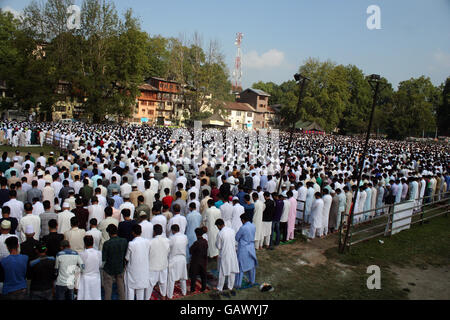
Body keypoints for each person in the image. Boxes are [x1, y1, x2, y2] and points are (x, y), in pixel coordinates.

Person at [102, 224, 127, 300]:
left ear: (109, 233)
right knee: (121, 288)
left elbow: (104, 258)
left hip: (109, 269)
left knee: (108, 290)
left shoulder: (107, 244)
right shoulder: (124, 241)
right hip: (120, 267)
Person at [214, 219, 239, 297]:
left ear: (219, 225)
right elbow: (235, 242)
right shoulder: (232, 230)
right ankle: (230, 287)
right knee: (232, 271)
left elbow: (219, 246)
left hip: (224, 254)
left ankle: (220, 288)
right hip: (233, 253)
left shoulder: (220, 233)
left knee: (223, 272)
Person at [234, 213, 258, 289]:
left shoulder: (243, 228)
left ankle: (238, 284)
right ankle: (252, 280)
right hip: (251, 247)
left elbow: (237, 237)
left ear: (243, 220)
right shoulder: (253, 226)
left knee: (240, 266)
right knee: (251, 265)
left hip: (243, 248)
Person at [147, 224, 170, 300]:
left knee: (150, 285)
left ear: (154, 232)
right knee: (163, 283)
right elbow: (168, 252)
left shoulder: (150, 242)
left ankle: (147, 297)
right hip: (163, 265)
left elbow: (147, 254)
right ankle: (163, 296)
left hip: (152, 266)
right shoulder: (167, 241)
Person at [167, 224, 188, 299]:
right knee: (183, 277)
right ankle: (184, 292)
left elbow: (168, 248)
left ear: (173, 231)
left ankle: (169, 295)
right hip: (182, 258)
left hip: (174, 258)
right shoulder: (184, 237)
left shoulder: (172, 238)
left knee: (171, 278)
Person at [77, 235, 102, 300]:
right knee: (95, 296)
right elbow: (100, 265)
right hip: (95, 278)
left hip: (85, 279)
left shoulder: (81, 254)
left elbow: (80, 267)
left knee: (85, 296)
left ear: (84, 243)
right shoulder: (99, 253)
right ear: (93, 242)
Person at [188, 228, 208, 294]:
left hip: (196, 261)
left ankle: (192, 289)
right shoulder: (205, 241)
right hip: (203, 260)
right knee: (203, 275)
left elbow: (191, 251)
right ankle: (203, 288)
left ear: (196, 235)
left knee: (193, 276)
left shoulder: (196, 243)